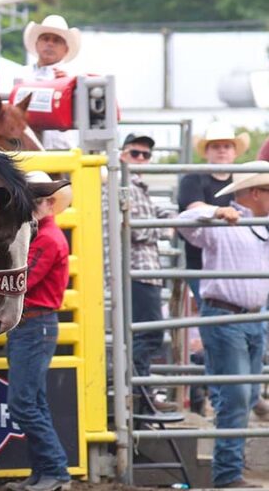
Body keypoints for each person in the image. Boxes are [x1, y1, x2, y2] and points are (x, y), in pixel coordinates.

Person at [177, 162, 269, 489]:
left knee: (244, 394)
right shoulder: (224, 220)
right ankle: (228, 474)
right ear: (256, 193)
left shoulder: (261, 224)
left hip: (251, 318)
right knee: (236, 395)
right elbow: (183, 221)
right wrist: (214, 212)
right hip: (227, 317)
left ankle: (231, 468)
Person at [5, 171, 73, 491]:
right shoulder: (44, 236)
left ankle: (55, 470)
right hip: (34, 324)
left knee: (23, 403)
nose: (32, 205)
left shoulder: (45, 238)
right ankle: (45, 472)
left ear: (49, 202)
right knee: (32, 401)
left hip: (34, 325)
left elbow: (24, 281)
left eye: (37, 199)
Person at [120, 133, 179, 412]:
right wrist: (164, 227)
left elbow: (156, 215)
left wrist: (168, 220)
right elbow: (137, 228)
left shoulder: (135, 187)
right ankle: (140, 394)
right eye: (135, 153)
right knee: (148, 335)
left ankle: (140, 393)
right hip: (138, 271)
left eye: (145, 155)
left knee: (145, 334)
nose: (141, 158)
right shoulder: (124, 185)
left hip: (144, 271)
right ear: (122, 154)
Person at [177, 122, 247, 304]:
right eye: (215, 146)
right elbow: (194, 207)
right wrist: (221, 212)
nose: (221, 150)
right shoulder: (193, 179)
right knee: (216, 311)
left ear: (234, 152)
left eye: (226, 146)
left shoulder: (244, 179)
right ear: (207, 151)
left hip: (239, 262)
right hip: (202, 265)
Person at [17, 15, 81, 149]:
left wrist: (71, 87)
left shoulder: (74, 77)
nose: (50, 44)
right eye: (45, 39)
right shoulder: (21, 74)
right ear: (37, 44)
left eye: (56, 40)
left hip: (62, 148)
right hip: (26, 148)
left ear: (66, 49)